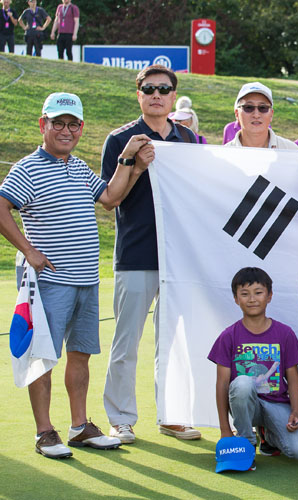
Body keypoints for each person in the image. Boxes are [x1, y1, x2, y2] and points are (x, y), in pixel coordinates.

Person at [0, 92, 153, 458]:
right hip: (50, 281)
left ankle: (80, 426)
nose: (66, 130)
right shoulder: (28, 168)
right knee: (44, 356)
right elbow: (1, 206)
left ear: (81, 128)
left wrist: (132, 164)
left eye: (73, 124)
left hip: (86, 279)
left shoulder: (79, 166)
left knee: (80, 355)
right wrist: (29, 250)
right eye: (58, 123)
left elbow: (112, 197)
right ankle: (44, 432)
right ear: (44, 125)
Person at [101, 65, 202, 444]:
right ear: (139, 94)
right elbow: (111, 200)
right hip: (136, 251)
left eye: (164, 88)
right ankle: (121, 418)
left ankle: (172, 415)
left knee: (173, 342)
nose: (156, 94)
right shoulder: (119, 140)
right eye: (149, 89)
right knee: (126, 341)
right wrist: (137, 166)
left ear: (173, 96)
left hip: (178, 255)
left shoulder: (189, 139)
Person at [208, 267, 298, 460]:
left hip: (277, 404)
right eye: (245, 294)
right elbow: (222, 384)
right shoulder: (228, 336)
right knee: (243, 383)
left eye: (258, 293)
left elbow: (294, 379)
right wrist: (224, 429)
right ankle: (246, 441)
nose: (252, 299)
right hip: (245, 405)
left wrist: (295, 411)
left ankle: (268, 436)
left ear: (269, 296)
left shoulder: (284, 333)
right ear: (236, 298)